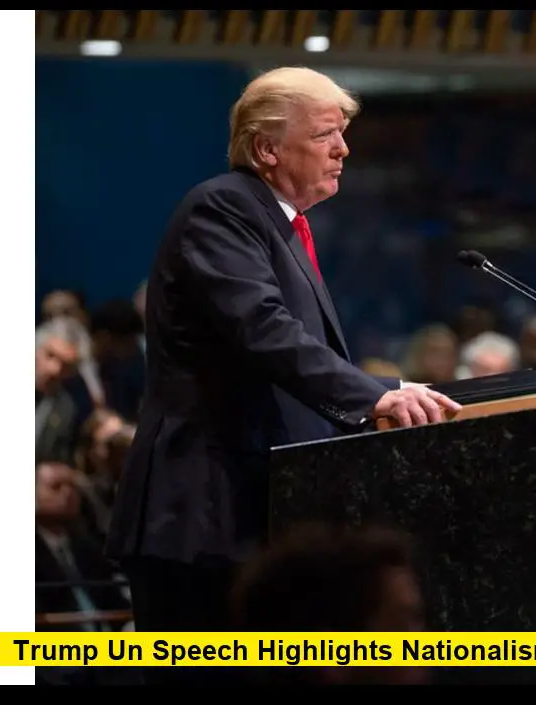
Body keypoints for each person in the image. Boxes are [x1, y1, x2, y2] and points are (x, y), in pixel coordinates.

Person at [104, 67, 460, 669]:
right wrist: (375, 396)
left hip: (251, 513)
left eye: (342, 132)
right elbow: (263, 331)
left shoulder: (280, 222)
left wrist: (390, 392)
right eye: (325, 134)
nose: (343, 149)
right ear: (267, 148)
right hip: (204, 516)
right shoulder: (222, 206)